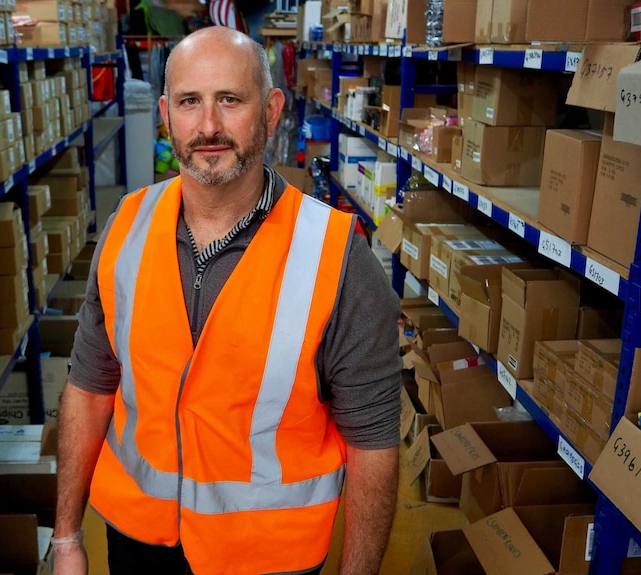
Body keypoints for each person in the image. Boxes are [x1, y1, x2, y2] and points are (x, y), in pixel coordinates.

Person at [53, 26, 401, 575]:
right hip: (138, 542)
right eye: (190, 102)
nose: (208, 126)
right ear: (166, 114)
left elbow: (374, 448)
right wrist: (67, 536)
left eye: (230, 100)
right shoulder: (127, 228)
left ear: (271, 110)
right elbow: (90, 385)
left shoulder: (336, 257)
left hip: (269, 558)